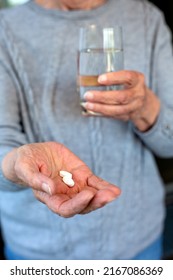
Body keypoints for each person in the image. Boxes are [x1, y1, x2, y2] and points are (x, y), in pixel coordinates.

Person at [0, 0, 173, 260]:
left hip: (138, 240)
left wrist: (145, 108)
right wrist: (15, 165)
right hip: (38, 252)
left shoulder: (146, 17)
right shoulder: (6, 29)